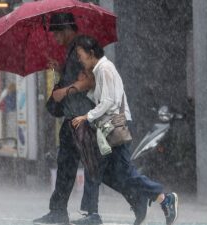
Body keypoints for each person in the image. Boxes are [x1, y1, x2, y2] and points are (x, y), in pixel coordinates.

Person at [34, 13, 148, 225]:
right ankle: (58, 210)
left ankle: (130, 200)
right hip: (72, 119)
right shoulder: (71, 53)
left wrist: (65, 91)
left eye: (58, 33)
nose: (56, 38)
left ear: (68, 29)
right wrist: (60, 70)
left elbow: (90, 81)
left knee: (100, 170)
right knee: (67, 165)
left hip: (85, 119)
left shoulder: (81, 51)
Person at [71, 35, 179, 225]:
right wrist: (86, 86)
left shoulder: (105, 68)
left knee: (111, 170)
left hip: (113, 126)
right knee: (110, 172)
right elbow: (104, 98)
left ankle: (160, 197)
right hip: (108, 126)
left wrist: (86, 117)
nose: (79, 59)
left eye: (81, 55)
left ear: (91, 53)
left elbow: (109, 102)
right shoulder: (100, 70)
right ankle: (141, 199)